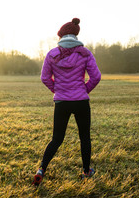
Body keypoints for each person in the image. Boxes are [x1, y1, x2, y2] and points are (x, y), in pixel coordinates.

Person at [33, 18, 101, 186]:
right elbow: (96, 77)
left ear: (62, 36)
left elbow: (44, 78)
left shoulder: (52, 54)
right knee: (84, 137)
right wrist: (85, 89)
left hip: (61, 102)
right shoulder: (85, 53)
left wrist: (57, 90)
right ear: (75, 35)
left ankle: (41, 169)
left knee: (56, 139)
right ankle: (86, 172)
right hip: (81, 102)